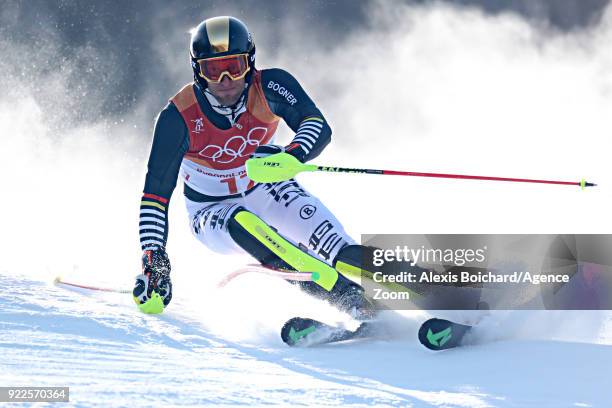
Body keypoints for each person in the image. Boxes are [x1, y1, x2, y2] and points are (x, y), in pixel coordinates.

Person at [133, 16, 380, 316]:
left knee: (342, 252)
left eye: (234, 67)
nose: (226, 81)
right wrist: (154, 258)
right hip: (211, 209)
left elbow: (316, 125)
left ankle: (428, 285)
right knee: (249, 227)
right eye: (213, 70)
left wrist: (292, 155)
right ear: (198, 71)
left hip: (268, 187)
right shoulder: (177, 117)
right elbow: (155, 197)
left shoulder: (271, 85)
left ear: (249, 64)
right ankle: (351, 300)